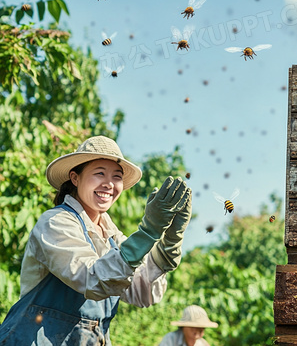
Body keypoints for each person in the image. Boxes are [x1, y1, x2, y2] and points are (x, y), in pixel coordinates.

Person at [0, 135, 193, 345]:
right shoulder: (56, 222)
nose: (109, 184)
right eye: (99, 173)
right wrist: (148, 232)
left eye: (116, 176)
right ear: (75, 178)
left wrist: (169, 242)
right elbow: (93, 279)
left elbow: (142, 293)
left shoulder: (111, 235)